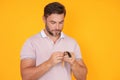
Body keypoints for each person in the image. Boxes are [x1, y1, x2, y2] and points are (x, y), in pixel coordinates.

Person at [20, 2, 87, 80]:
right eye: (53, 22)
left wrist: (74, 63)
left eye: (61, 22)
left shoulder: (72, 43)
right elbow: (26, 77)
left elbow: (83, 77)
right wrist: (49, 63)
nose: (57, 27)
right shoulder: (31, 42)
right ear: (44, 19)